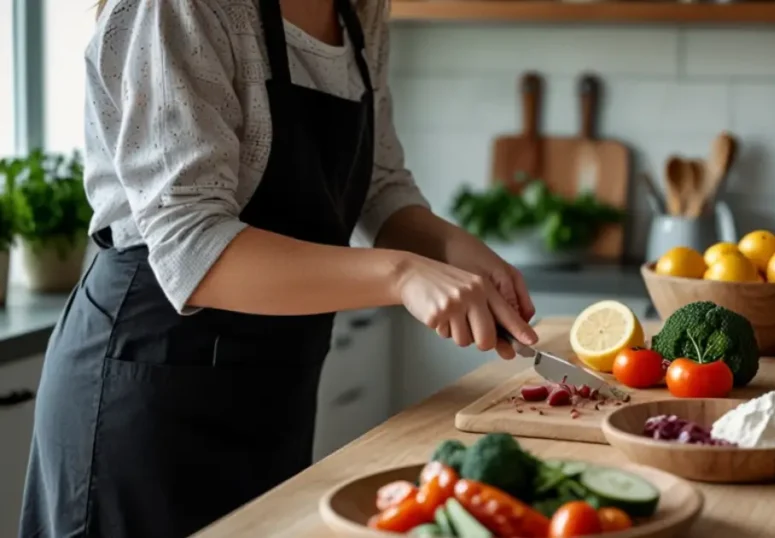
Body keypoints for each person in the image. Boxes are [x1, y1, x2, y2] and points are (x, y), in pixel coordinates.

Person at [18, 1, 539, 537]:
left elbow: (382, 187)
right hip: (149, 392)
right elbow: (192, 244)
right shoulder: (182, 7)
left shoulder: (359, 9)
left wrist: (459, 254)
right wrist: (402, 275)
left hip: (273, 395)